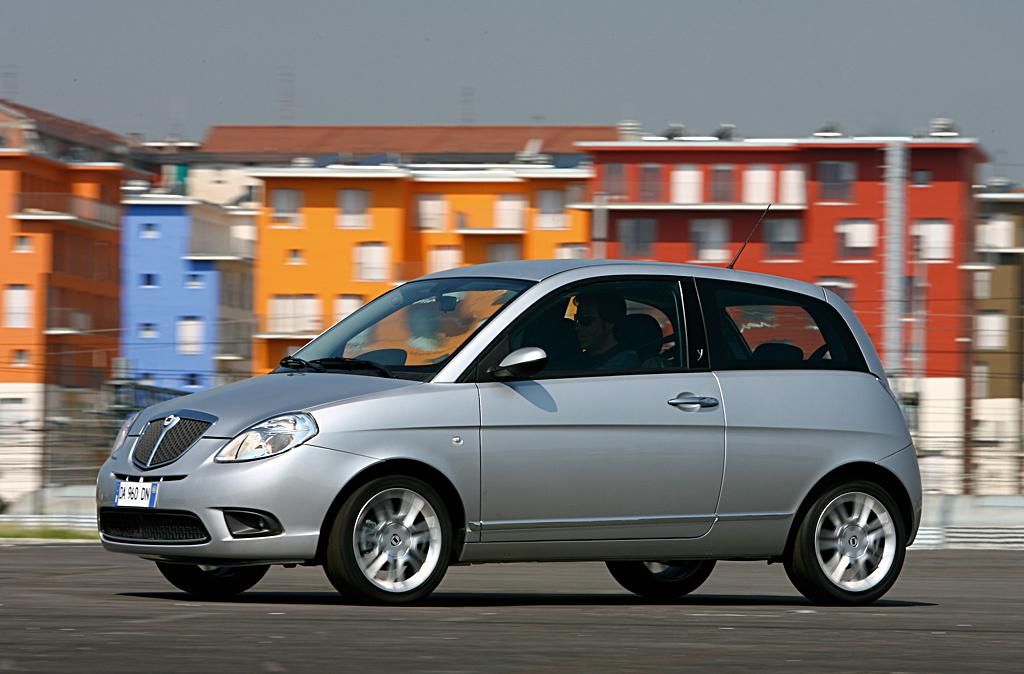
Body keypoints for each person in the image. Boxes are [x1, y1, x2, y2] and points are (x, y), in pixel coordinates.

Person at [572, 290, 640, 371]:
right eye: (576, 320)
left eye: (586, 320)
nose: (577, 327)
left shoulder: (624, 362)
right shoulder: (580, 359)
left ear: (609, 322)